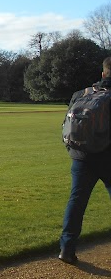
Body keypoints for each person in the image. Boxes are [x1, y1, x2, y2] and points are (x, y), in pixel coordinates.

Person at [59, 56, 111, 264]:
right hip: (108, 157)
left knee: (76, 202)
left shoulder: (81, 94)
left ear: (103, 74)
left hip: (81, 157)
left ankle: (66, 249)